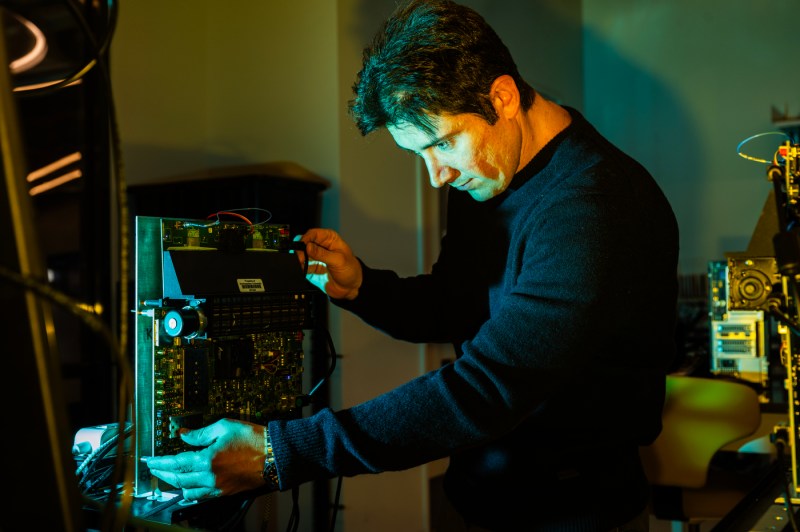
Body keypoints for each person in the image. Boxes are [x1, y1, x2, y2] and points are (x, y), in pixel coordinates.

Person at [144, 0, 679, 530]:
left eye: (443, 143)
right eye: (418, 154)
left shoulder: (597, 206)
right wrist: (363, 289)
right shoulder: (486, 178)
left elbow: (489, 387)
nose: (436, 176)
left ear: (503, 96)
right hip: (485, 497)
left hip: (574, 513)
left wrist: (281, 452)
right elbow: (454, 307)